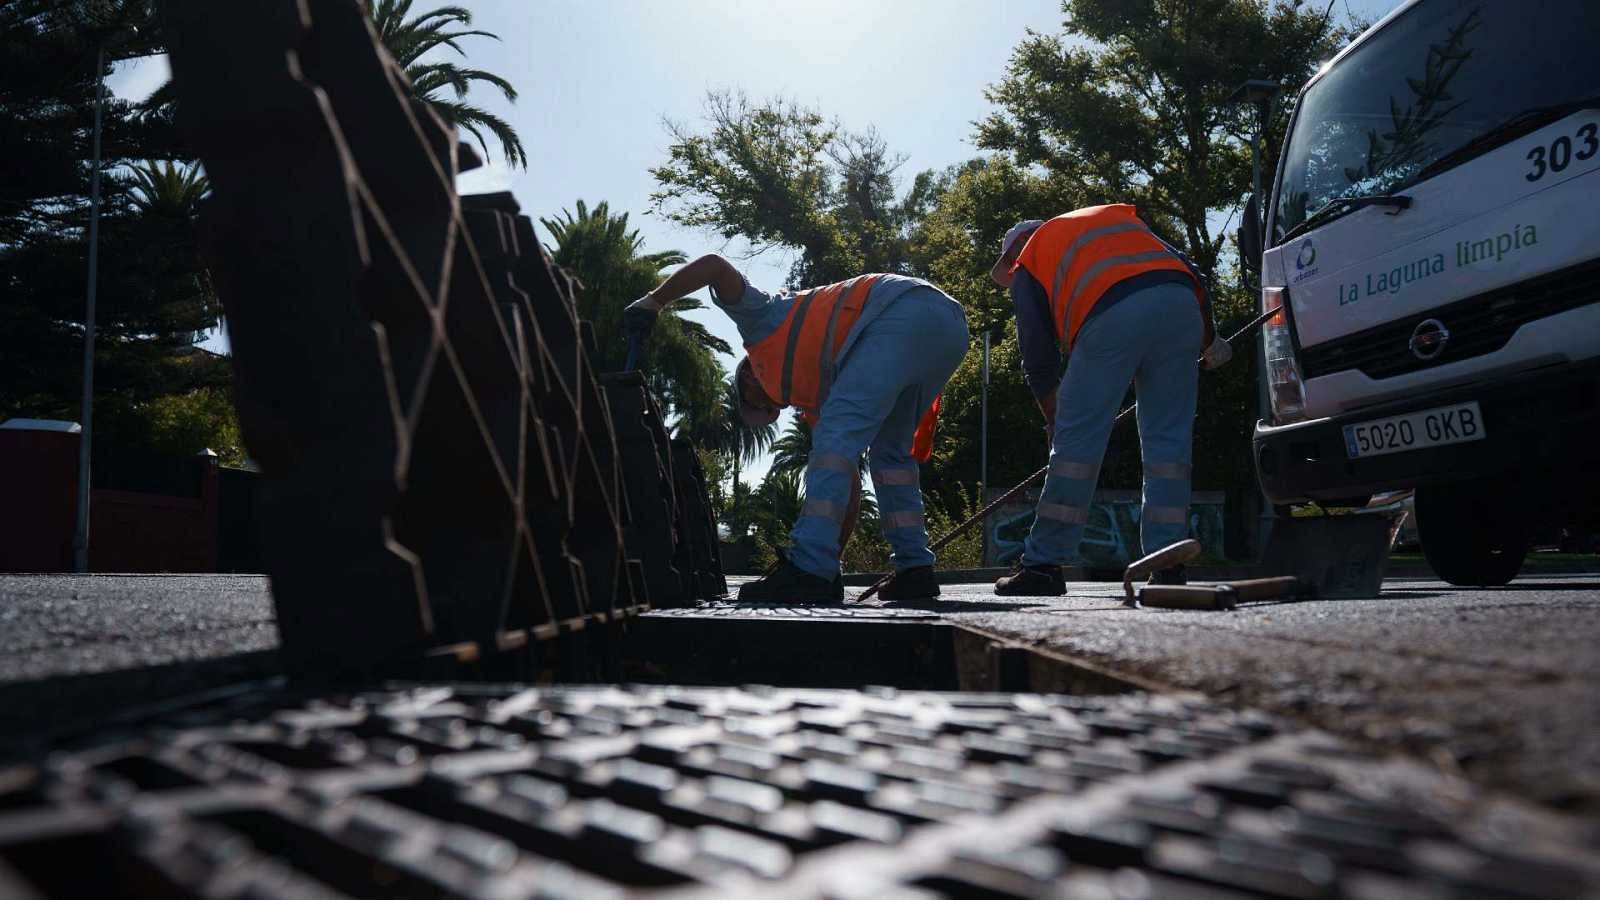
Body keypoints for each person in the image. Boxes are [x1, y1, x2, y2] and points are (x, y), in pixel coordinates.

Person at [625, 256, 969, 603]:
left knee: (839, 441)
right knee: (890, 456)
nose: (775, 406)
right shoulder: (821, 398)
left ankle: (808, 568)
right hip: (947, 326)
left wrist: (655, 300)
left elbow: (715, 266)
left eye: (760, 403)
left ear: (749, 376)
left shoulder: (760, 317)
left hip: (900, 310)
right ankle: (915, 570)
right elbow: (846, 486)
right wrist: (833, 561)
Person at [988, 206, 1232, 596]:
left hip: (1111, 316)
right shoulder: (1109, 223)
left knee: (1075, 448)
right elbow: (1188, 271)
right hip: (1181, 306)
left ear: (1014, 251)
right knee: (1168, 445)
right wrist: (1209, 338)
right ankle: (1168, 562)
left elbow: (1038, 357)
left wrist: (1056, 421)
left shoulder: (1030, 259)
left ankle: (1043, 565)